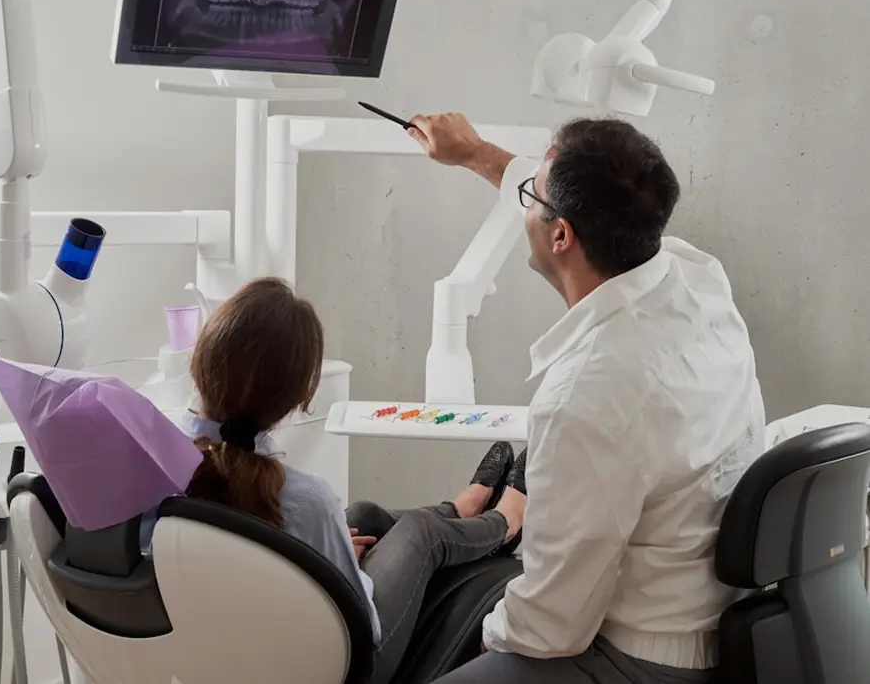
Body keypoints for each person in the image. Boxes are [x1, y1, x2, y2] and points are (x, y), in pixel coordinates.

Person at [405, 114, 765, 684]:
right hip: (705, 614)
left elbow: (549, 628)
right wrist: (474, 153)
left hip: (636, 659)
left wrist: (475, 639)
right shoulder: (697, 277)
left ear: (561, 236)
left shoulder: (587, 395)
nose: (526, 199)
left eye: (532, 195)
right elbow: (569, 195)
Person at [176, 277, 529, 684]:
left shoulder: (158, 464)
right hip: (341, 668)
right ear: (299, 398)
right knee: (421, 533)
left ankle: (460, 510)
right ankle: (504, 522)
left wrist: (329, 554)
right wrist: (343, 571)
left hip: (230, 653)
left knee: (362, 515)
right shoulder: (307, 501)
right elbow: (361, 623)